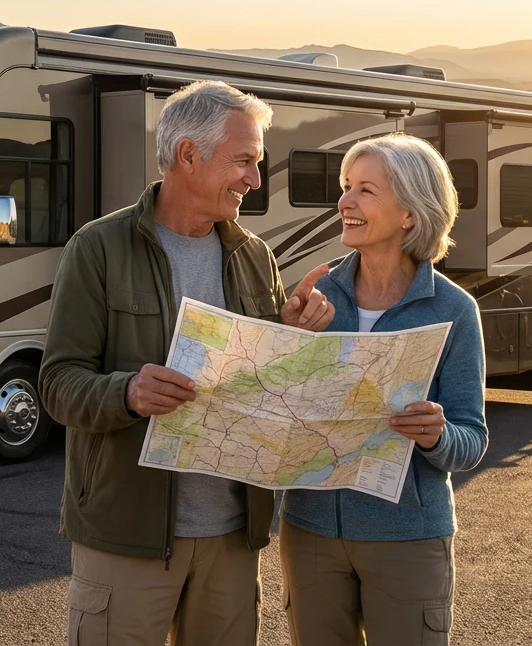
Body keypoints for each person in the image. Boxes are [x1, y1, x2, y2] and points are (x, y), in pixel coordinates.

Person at [39, 80, 336, 645]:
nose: (254, 178)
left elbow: (265, 385)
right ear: (188, 155)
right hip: (126, 538)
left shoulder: (254, 256)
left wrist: (292, 337)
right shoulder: (97, 249)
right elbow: (57, 383)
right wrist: (126, 393)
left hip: (230, 536)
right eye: (244, 161)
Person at [277, 132, 489, 646]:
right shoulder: (315, 296)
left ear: (410, 214)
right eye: (346, 187)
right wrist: (287, 346)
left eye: (365, 190)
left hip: (408, 538)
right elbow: (275, 410)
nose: (344, 202)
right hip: (309, 533)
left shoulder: (454, 310)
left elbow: (472, 440)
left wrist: (436, 434)